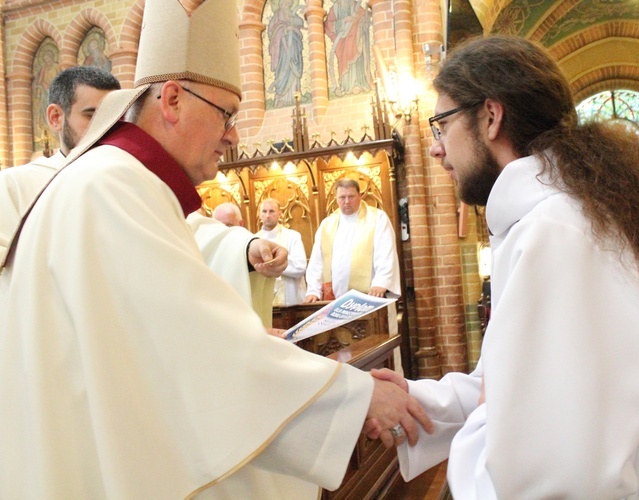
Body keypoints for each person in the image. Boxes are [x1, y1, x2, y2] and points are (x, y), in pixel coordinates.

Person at [0, 0, 431, 497]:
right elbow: (195, 351)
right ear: (172, 100)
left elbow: (160, 329)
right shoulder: (112, 186)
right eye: (226, 114)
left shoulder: (123, 182)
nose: (233, 135)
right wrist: (354, 399)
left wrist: (249, 332)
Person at [368, 35, 639, 498]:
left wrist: (479, 423)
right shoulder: (554, 221)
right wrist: (410, 402)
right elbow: (511, 389)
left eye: (440, 124)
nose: (436, 149)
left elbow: (556, 473)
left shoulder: (555, 233)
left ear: (492, 116)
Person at [0, 65, 121, 263]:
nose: (107, 128)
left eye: (115, 118)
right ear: (56, 118)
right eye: (91, 116)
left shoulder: (127, 182)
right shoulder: (13, 186)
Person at [304, 178, 399, 301]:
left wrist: (381, 282)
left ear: (360, 196)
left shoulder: (377, 218)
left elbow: (386, 253)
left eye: (351, 196)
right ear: (335, 198)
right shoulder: (327, 224)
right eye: (342, 197)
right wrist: (313, 291)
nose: (347, 201)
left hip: (371, 296)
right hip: (333, 299)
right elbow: (317, 261)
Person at [257, 198, 307, 306]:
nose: (268, 215)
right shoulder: (254, 240)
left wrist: (270, 264)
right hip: (264, 301)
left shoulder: (292, 236)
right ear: (259, 214)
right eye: (264, 211)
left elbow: (300, 267)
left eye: (272, 211)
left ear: (279, 214)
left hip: (290, 301)